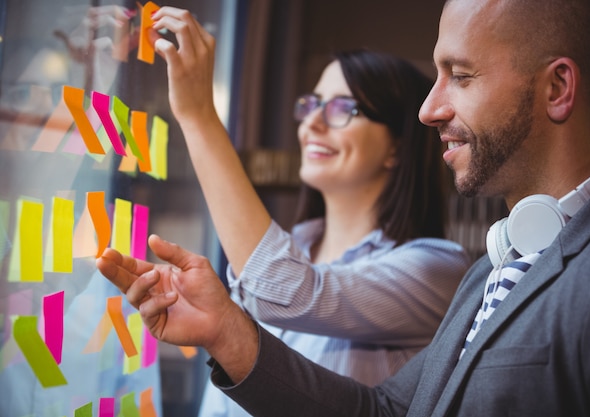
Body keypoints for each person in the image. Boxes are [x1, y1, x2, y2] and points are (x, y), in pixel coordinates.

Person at [97, 0, 590, 416]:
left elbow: (288, 288)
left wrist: (196, 114)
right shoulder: (495, 267)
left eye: (461, 76)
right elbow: (386, 411)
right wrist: (225, 332)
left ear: (558, 87)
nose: (429, 109)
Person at [193, 48, 469, 416]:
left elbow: (283, 287)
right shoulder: (290, 248)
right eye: (311, 105)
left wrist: (197, 116)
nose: (311, 125)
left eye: (342, 109)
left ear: (397, 148)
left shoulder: (437, 270)